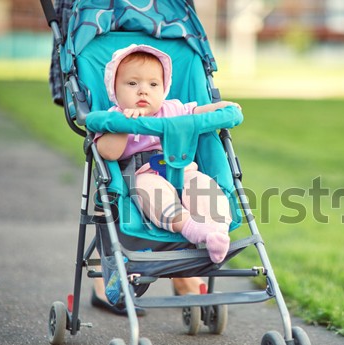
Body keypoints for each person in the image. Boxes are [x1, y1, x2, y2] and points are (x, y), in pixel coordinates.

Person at [93, 44, 240, 306]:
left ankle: (215, 231)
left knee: (204, 185)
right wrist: (125, 126)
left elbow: (198, 112)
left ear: (164, 89)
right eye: (132, 83)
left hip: (182, 171)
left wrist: (223, 107)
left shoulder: (172, 109)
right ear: (114, 90)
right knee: (152, 190)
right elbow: (109, 153)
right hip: (143, 174)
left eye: (153, 84)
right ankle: (190, 227)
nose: (143, 90)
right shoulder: (114, 117)